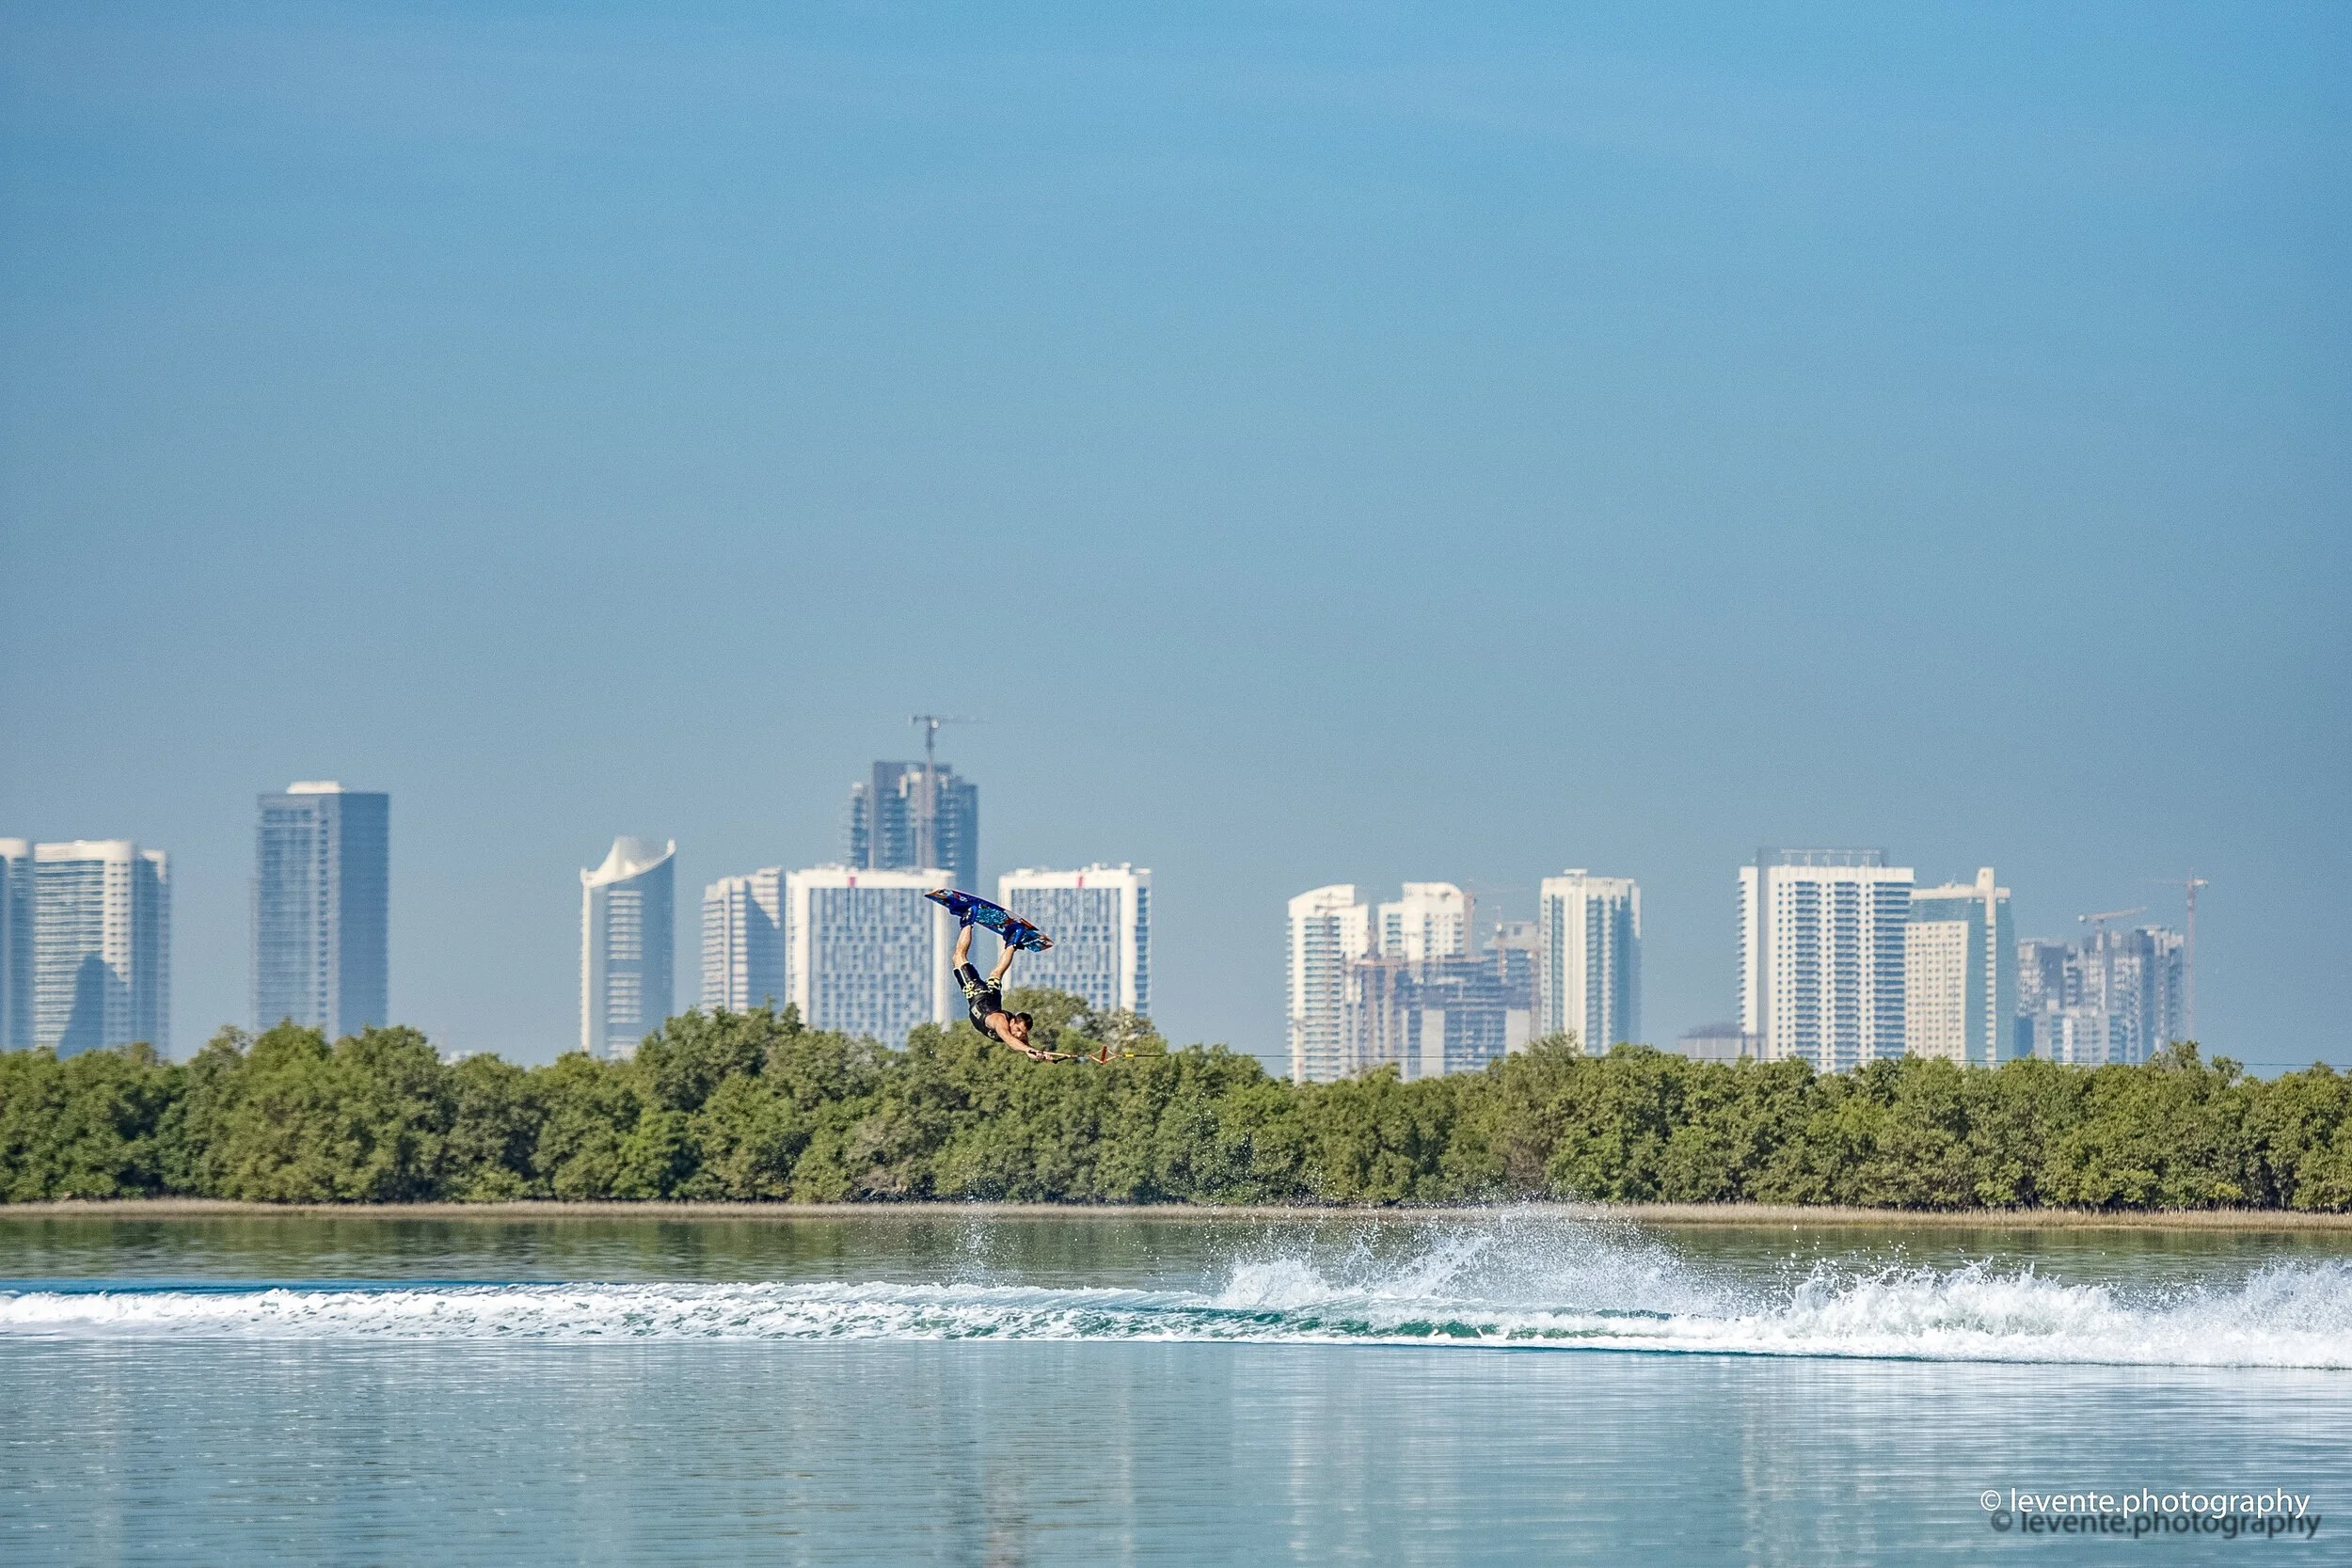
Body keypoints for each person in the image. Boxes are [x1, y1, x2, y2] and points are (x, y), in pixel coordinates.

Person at [953, 917, 1048, 1059]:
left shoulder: (1019, 1031)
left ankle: (1013, 940)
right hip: (978, 995)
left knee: (997, 973)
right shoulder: (1001, 1023)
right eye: (1017, 1030)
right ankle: (967, 920)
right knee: (958, 957)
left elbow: (1024, 1045)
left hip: (993, 1000)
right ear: (1012, 1021)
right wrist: (1028, 1050)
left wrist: (1041, 1054)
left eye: (1022, 1033)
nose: (1019, 1035)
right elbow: (1010, 1041)